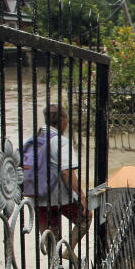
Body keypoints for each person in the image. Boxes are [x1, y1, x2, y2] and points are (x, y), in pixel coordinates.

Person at [23, 104, 91, 247]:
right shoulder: (62, 141)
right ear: (62, 120)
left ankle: (54, 266)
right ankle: (69, 251)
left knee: (50, 238)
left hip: (38, 198)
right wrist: (81, 196)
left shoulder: (32, 139)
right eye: (66, 119)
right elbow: (66, 172)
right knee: (86, 218)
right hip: (62, 197)